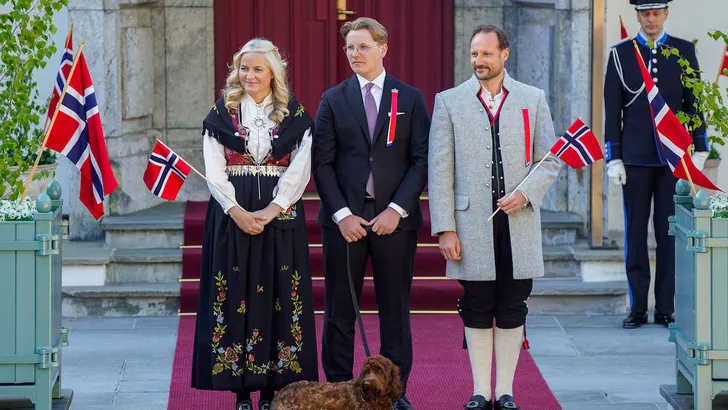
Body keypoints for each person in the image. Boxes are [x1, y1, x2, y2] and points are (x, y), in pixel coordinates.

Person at [428, 25, 560, 410]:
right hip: (470, 226)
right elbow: (440, 169)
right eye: (474, 54)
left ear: (504, 54)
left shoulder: (532, 99)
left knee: (513, 305)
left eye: (486, 54)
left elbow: (549, 159)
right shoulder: (449, 102)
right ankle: (479, 391)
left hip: (518, 222)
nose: (479, 61)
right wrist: (445, 228)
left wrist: (526, 194)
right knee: (477, 304)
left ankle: (505, 391)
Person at [191, 38, 318, 410]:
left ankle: (270, 390)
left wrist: (273, 208)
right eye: (244, 68)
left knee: (280, 295)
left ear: (273, 73)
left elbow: (300, 168)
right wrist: (236, 211)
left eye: (258, 69)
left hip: (279, 217)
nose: (249, 75)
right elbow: (213, 169)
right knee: (235, 296)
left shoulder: (296, 116)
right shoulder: (220, 115)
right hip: (233, 215)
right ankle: (241, 391)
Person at [312, 17, 430, 410]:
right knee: (339, 311)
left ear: (383, 48)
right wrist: (342, 214)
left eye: (362, 46)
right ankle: (340, 391)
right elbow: (323, 163)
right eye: (349, 48)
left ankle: (396, 394)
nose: (354, 54)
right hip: (345, 222)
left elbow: (420, 160)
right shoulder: (333, 98)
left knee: (394, 310)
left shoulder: (409, 98)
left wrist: (397, 209)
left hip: (394, 221)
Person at [604, 0, 709, 329]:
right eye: (645, 13)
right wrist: (614, 156)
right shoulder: (621, 54)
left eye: (656, 12)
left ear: (666, 14)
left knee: (669, 236)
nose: (651, 19)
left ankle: (665, 308)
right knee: (635, 235)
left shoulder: (682, 52)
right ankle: (638, 307)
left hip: (671, 161)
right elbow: (612, 110)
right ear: (638, 15)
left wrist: (700, 147)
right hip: (634, 160)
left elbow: (694, 104)